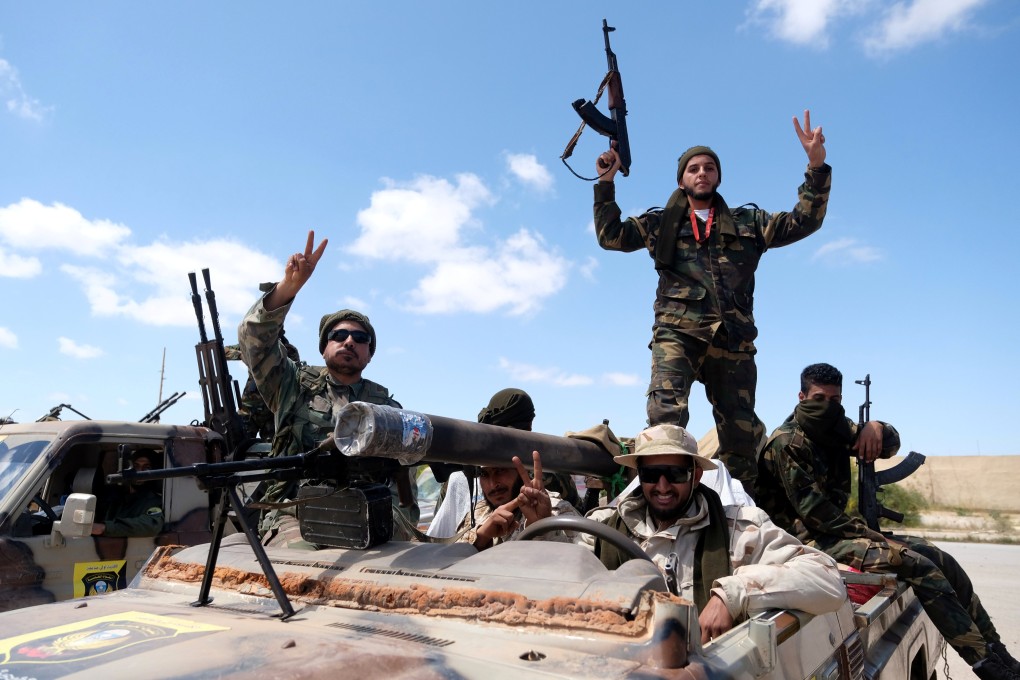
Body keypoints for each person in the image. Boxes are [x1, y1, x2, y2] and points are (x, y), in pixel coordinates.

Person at [592, 110, 831, 493]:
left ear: (718, 176)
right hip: (677, 335)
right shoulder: (660, 224)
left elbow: (804, 221)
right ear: (682, 180)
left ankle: (738, 513)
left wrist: (816, 167)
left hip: (733, 340)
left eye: (708, 167)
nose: (701, 173)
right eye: (693, 169)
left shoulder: (749, 223)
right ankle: (662, 501)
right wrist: (606, 181)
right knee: (665, 424)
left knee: (741, 437)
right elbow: (611, 236)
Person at [756, 363, 1020, 679]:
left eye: (834, 400)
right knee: (916, 565)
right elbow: (817, 514)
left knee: (940, 558)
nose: (826, 406)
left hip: (838, 532)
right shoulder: (788, 442)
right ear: (801, 397)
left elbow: (891, 446)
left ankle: (998, 652)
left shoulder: (837, 428)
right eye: (818, 398)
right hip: (805, 539)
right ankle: (986, 665)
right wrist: (874, 537)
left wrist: (877, 428)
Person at [580, 424, 846, 644]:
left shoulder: (739, 529)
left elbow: (827, 578)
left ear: (696, 476)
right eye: (651, 474)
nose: (662, 486)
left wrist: (732, 594)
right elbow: (565, 570)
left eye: (675, 474)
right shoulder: (604, 529)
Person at [237, 231, 412, 548]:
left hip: (367, 511)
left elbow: (404, 486)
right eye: (339, 335)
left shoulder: (387, 409)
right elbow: (254, 338)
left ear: (369, 355)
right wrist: (289, 287)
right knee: (302, 564)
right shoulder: (291, 385)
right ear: (323, 347)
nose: (350, 341)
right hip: (294, 512)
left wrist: (399, 523)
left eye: (360, 339)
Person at [225, 282, 302, 442]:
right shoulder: (252, 345)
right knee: (238, 441)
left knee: (273, 444)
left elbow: (291, 374)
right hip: (251, 403)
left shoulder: (289, 350)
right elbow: (224, 352)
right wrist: (243, 354)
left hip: (273, 406)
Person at [457, 450, 579, 551]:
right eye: (484, 474)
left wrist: (542, 528)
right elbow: (452, 560)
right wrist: (481, 537)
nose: (493, 484)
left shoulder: (557, 510)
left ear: (520, 471)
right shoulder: (478, 513)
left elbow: (579, 563)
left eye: (500, 470)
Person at [91, 450, 164, 538]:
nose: (140, 471)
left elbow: (151, 526)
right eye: (136, 466)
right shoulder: (113, 495)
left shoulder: (154, 502)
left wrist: (105, 528)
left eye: (146, 467)